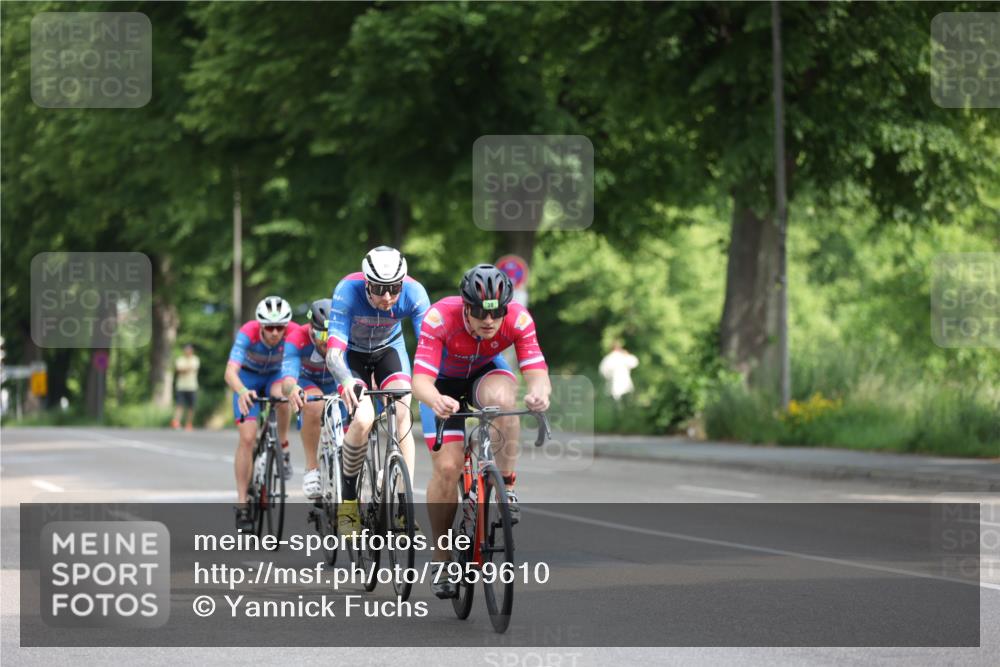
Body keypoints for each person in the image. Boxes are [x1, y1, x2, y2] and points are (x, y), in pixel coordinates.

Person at [412, 264, 551, 599]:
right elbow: (420, 382)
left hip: (485, 374)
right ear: (465, 305)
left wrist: (540, 393)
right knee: (447, 468)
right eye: (479, 312)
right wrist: (436, 400)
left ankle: (507, 483)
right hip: (442, 386)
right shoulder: (439, 318)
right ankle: (442, 557)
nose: (489, 321)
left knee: (505, 402)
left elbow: (537, 371)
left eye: (497, 312)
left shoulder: (518, 320)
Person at [323, 246, 430, 536]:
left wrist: (430, 383)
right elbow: (334, 355)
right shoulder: (348, 290)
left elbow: (430, 346)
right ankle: (348, 502)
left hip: (389, 351)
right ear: (367, 283)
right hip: (353, 357)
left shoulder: (414, 292)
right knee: (363, 418)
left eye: (394, 288)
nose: (387, 297)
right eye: (380, 289)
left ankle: (403, 504)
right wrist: (347, 381)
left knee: (403, 409)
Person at [224, 296, 300, 532]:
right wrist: (242, 391)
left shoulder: (294, 332)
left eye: (280, 327)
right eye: (270, 327)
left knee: (282, 398)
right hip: (247, 379)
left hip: (275, 375)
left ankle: (283, 444)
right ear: (260, 325)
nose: (276, 333)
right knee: (247, 438)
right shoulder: (248, 332)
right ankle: (242, 502)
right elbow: (230, 372)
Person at [280, 299, 339, 500]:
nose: (326, 340)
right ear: (311, 329)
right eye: (321, 333)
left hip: (337, 382)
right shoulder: (297, 338)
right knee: (314, 406)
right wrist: (292, 388)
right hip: (308, 380)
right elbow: (287, 380)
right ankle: (312, 469)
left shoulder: (346, 335)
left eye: (330, 334)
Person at [171, 344, 200, 431]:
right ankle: (176, 422)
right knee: (179, 405)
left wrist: (185, 368)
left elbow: (191, 368)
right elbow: (179, 369)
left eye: (189, 350)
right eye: (186, 350)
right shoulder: (180, 359)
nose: (187, 351)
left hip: (192, 386)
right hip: (181, 386)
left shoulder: (195, 359)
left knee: (191, 406)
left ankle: (189, 423)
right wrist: (187, 368)